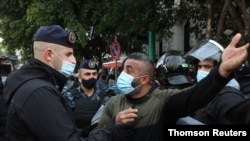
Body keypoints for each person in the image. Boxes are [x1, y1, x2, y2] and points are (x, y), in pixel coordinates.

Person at [90, 33, 249, 140]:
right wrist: (114, 126)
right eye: (123, 69)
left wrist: (221, 71)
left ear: (145, 79)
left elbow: (194, 96)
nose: (122, 74)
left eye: (129, 70)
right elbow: (94, 136)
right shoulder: (113, 103)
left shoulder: (163, 100)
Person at [2, 25, 135, 141]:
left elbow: (65, 133)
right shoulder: (39, 92)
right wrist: (113, 130)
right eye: (68, 54)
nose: (73, 61)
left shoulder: (36, 85)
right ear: (49, 55)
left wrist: (105, 126)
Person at [185, 39, 245, 124]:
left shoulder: (228, 98)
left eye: (207, 67)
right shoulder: (204, 93)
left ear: (220, 69)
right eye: (200, 66)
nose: (201, 71)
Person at [62, 59, 115, 137]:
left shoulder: (104, 96)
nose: (92, 77)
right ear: (80, 76)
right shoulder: (69, 96)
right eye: (87, 74)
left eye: (94, 74)